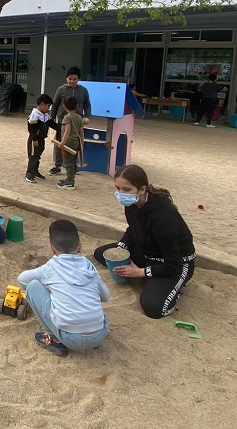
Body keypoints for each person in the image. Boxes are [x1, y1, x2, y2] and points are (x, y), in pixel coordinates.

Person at [93, 164, 196, 319]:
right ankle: (149, 277)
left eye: (126, 189)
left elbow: (173, 265)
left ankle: (170, 286)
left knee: (153, 308)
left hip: (175, 263)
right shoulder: (132, 204)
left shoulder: (163, 217)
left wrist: (139, 272)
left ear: (142, 189)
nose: (120, 194)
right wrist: (121, 248)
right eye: (118, 188)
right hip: (147, 253)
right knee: (102, 254)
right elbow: (133, 229)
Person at [18, 219, 110, 357]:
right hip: (99, 335)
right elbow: (105, 296)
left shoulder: (51, 267)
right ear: (80, 246)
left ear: (52, 248)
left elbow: (22, 279)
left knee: (32, 286)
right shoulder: (89, 266)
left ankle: (53, 338)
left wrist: (49, 287)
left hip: (71, 338)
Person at [49, 67, 91, 175]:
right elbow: (55, 104)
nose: (72, 81)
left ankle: (73, 166)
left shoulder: (83, 90)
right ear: (66, 78)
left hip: (77, 122)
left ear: (79, 79)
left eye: (74, 79)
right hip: (62, 121)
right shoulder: (61, 89)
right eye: (70, 79)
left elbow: (87, 104)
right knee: (59, 143)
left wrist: (87, 116)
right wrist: (51, 117)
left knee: (75, 143)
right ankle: (57, 165)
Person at [25, 93, 59, 183]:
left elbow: (52, 124)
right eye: (48, 106)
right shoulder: (34, 115)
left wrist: (61, 128)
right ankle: (29, 173)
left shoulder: (45, 115)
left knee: (37, 156)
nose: (49, 108)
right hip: (34, 140)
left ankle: (35, 171)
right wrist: (34, 139)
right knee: (33, 157)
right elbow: (31, 128)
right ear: (42, 104)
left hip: (41, 139)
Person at [54, 96, 85, 191]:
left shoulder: (67, 117)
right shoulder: (79, 117)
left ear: (64, 106)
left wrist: (62, 143)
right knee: (73, 161)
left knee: (68, 162)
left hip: (69, 142)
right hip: (76, 142)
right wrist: (82, 143)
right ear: (77, 106)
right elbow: (81, 131)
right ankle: (70, 179)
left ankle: (70, 182)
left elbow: (67, 131)